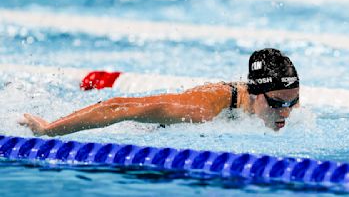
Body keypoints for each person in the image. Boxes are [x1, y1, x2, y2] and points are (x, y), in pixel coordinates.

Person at [20, 48, 300, 136]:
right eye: (277, 103)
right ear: (254, 93)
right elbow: (119, 107)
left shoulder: (282, 98)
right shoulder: (200, 110)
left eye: (293, 101)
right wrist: (49, 130)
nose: (286, 112)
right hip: (138, 129)